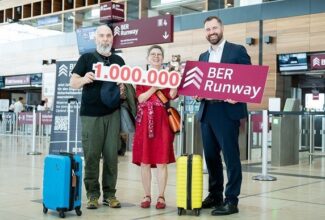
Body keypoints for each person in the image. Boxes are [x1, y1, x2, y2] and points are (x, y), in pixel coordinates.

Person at [196, 16, 251, 216]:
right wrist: (197, 93)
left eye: (214, 28)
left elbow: (248, 81)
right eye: (208, 29)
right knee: (210, 157)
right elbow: (200, 83)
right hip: (207, 110)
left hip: (227, 112)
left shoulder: (237, 51)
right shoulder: (203, 56)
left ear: (222, 28)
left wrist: (238, 95)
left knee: (230, 157)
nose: (211, 32)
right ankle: (215, 195)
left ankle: (231, 200)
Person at [70, 24, 127, 210]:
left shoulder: (119, 60)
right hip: (91, 115)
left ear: (113, 38)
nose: (105, 39)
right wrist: (84, 79)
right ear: (96, 39)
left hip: (113, 114)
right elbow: (73, 83)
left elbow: (124, 91)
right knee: (92, 156)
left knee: (112, 157)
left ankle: (109, 195)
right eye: (101, 36)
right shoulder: (86, 58)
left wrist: (123, 88)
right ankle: (92, 195)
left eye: (108, 35)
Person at [132, 45, 177, 209]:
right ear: (148, 58)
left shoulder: (170, 76)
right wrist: (155, 87)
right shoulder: (141, 76)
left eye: (159, 54)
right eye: (153, 54)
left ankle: (161, 196)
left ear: (163, 58)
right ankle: (146, 195)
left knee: (161, 161)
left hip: (162, 122)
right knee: (144, 161)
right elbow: (141, 99)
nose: (156, 57)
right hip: (144, 122)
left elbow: (172, 95)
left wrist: (175, 84)